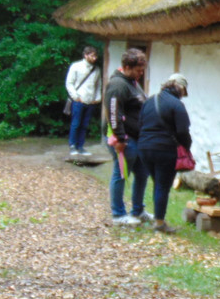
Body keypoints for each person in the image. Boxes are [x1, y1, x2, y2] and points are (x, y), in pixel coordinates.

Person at [138, 74, 191, 234]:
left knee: (157, 183)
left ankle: (158, 219)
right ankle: (159, 223)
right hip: (165, 149)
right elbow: (183, 131)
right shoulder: (177, 105)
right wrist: (186, 147)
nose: (183, 95)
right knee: (162, 185)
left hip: (144, 148)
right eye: (183, 91)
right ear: (180, 87)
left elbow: (140, 123)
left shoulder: (149, 101)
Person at [105, 48, 151, 226]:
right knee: (121, 174)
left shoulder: (132, 82)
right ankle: (118, 215)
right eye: (138, 70)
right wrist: (120, 138)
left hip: (138, 138)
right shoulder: (118, 85)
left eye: (142, 70)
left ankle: (138, 210)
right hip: (125, 139)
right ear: (126, 67)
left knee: (142, 173)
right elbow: (113, 113)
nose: (141, 74)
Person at [65, 46, 102, 156]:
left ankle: (80, 146)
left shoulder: (96, 69)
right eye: (92, 55)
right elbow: (69, 83)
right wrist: (76, 97)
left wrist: (97, 98)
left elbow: (98, 85)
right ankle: (72, 146)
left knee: (84, 125)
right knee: (76, 123)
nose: (94, 58)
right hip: (79, 100)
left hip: (90, 101)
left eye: (95, 55)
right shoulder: (76, 66)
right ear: (85, 55)